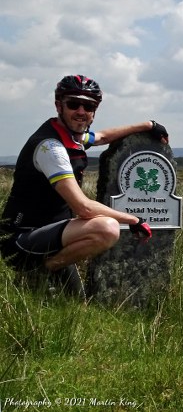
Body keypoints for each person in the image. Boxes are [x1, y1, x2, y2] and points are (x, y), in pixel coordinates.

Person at [0, 74, 170, 299]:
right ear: (58, 105)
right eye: (73, 104)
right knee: (107, 228)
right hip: (22, 240)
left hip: (54, 234)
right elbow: (84, 209)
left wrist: (148, 125)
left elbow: (100, 137)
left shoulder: (72, 136)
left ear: (94, 110)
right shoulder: (51, 147)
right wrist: (134, 220)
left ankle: (48, 268)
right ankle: (40, 271)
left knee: (76, 302)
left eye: (88, 106)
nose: (81, 111)